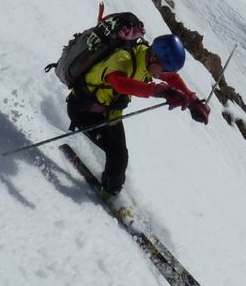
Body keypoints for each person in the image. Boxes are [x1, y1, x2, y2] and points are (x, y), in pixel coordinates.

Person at [66, 32, 210, 213]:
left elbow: (171, 78)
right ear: (153, 58)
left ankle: (112, 183)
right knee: (118, 154)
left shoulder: (146, 58)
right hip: (83, 111)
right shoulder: (124, 58)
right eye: (164, 70)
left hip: (108, 113)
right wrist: (159, 91)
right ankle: (110, 194)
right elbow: (119, 83)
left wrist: (192, 99)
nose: (165, 74)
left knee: (120, 155)